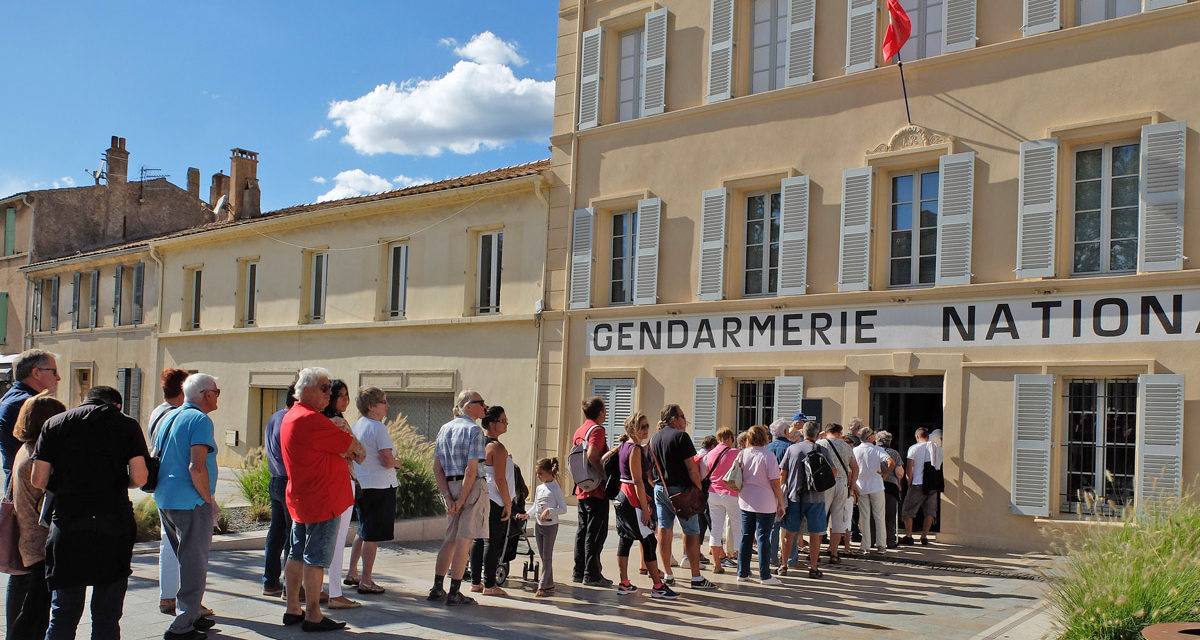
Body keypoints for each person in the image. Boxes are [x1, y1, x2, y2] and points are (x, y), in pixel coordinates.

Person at [33, 386, 149, 640]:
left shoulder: (54, 424)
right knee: (107, 615)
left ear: (84, 400)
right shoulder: (127, 425)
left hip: (68, 524)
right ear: (116, 405)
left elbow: (38, 479)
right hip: (113, 524)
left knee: (63, 612)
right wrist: (121, 482)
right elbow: (140, 477)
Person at [282, 367, 362, 631]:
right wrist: (345, 447)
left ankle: (293, 608)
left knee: (296, 554)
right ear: (305, 390)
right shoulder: (313, 420)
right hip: (323, 499)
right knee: (315, 559)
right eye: (325, 388)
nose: (331, 393)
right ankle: (314, 614)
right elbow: (356, 451)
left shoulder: (292, 416)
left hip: (302, 496)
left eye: (330, 388)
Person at [154, 374, 221, 640]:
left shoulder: (170, 415)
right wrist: (207, 499)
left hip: (166, 497)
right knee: (194, 563)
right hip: (189, 500)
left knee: (186, 561)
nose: (217, 396)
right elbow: (197, 466)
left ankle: (190, 614)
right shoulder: (200, 419)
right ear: (206, 394)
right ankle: (182, 625)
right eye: (217, 391)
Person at [6, 392, 65, 640]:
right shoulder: (37, 458)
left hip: (27, 538)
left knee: (26, 603)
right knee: (35, 614)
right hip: (39, 542)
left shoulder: (25, 449)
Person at [429, 390, 490, 606]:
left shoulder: (444, 428)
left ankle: (437, 587)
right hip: (470, 487)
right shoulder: (475, 431)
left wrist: (448, 497)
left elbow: (437, 468)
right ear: (468, 406)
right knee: (465, 539)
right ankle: (455, 591)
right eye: (480, 403)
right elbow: (471, 470)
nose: (484, 407)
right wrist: (462, 500)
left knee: (450, 538)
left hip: (451, 485)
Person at [650, 404, 717, 590]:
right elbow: (691, 467)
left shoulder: (654, 439)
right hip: (681, 490)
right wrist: (698, 488)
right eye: (682, 416)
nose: (684, 419)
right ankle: (696, 577)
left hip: (660, 488)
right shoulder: (681, 437)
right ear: (673, 419)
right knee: (691, 531)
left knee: (664, 529)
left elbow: (650, 471)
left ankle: (668, 575)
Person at [612, 413, 676, 599]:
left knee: (625, 539)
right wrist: (645, 509)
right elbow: (638, 481)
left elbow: (606, 460)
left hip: (621, 496)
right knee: (649, 540)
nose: (646, 429)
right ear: (633, 429)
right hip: (632, 498)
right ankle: (657, 586)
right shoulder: (635, 449)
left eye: (647, 426)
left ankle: (624, 583)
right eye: (643, 427)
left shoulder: (623, 445)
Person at [345, 386, 399, 596]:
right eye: (383, 401)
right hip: (379, 486)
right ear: (371, 406)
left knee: (363, 529)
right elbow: (386, 460)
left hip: (362, 484)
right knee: (372, 535)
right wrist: (397, 462)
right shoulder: (378, 427)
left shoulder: (358, 425)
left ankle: (352, 572)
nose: (387, 405)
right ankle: (366, 580)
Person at [148, 368, 190, 614]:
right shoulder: (179, 415)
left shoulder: (158, 411)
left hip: (161, 484)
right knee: (186, 546)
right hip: (178, 485)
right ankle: (187, 599)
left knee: (168, 541)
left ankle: (167, 596)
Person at [321, 380, 364, 610]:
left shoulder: (317, 421)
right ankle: (335, 593)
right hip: (340, 482)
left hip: (321, 483)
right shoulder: (338, 423)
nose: (345, 400)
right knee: (337, 541)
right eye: (342, 395)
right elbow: (359, 451)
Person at [469, 406, 518, 596]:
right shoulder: (496, 447)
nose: (506, 424)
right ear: (492, 424)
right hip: (495, 499)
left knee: (478, 539)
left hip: (480, 496)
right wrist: (508, 503)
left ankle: (475, 582)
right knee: (492, 541)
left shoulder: (480, 443)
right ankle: (489, 585)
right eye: (503, 420)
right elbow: (500, 479)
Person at [778, 420, 835, 579]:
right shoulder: (822, 450)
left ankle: (783, 566)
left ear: (803, 433)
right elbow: (833, 472)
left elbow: (783, 474)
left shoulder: (792, 449)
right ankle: (814, 568)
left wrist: (782, 492)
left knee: (789, 534)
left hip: (795, 496)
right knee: (815, 534)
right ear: (817, 434)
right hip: (816, 498)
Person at [1, 349, 60, 490]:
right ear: (36, 373)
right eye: (54, 372)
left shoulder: (10, 398)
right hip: (31, 488)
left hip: (18, 484)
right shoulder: (30, 404)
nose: (58, 378)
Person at [735, 425, 784, 585]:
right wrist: (781, 503)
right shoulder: (768, 456)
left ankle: (742, 572)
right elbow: (775, 483)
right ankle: (764, 575)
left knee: (746, 537)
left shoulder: (743, 454)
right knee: (763, 538)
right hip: (765, 502)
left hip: (746, 500)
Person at [572, 396, 611, 587]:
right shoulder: (597, 430)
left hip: (582, 486)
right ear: (600, 412)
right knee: (595, 532)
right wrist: (603, 475)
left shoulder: (580, 430)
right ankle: (592, 574)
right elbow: (592, 455)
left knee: (582, 530)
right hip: (595, 489)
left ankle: (578, 571)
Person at [262, 383, 297, 597]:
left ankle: (270, 581)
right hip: (288, 480)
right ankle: (289, 586)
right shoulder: (290, 419)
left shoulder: (274, 416)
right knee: (292, 535)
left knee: (276, 533)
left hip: (275, 479)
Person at [817, 423, 858, 564]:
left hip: (824, 483)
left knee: (819, 517)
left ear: (826, 431)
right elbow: (855, 467)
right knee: (838, 519)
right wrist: (852, 485)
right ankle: (834, 553)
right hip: (842, 483)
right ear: (839, 432)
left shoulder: (820, 443)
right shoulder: (846, 446)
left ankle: (815, 553)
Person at [702, 426, 740, 574]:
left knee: (715, 530)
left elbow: (704, 473)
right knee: (738, 530)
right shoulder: (736, 453)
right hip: (732, 494)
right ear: (730, 438)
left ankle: (717, 565)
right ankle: (741, 565)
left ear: (718, 439)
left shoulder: (710, 454)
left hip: (713, 493)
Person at [528, 457, 567, 597]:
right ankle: (549, 583)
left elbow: (563, 508)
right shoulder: (540, 488)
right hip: (539, 525)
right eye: (537, 474)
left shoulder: (556, 489)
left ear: (549, 472)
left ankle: (542, 586)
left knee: (547, 556)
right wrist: (527, 515)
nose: (538, 477)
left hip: (550, 526)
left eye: (540, 474)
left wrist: (550, 511)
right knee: (543, 556)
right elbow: (535, 506)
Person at [765, 416, 799, 571]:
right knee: (790, 527)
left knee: (773, 526)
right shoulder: (792, 448)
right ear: (786, 431)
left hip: (770, 490)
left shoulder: (767, 448)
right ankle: (790, 558)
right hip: (789, 489)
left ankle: (772, 557)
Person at [853, 427, 894, 555]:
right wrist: (885, 474)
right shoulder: (877, 449)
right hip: (876, 485)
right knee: (879, 515)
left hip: (861, 486)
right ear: (869, 437)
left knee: (864, 517)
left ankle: (865, 546)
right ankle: (881, 545)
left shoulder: (855, 450)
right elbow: (891, 462)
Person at [902, 427, 943, 545]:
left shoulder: (914, 448)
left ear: (917, 437)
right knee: (930, 511)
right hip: (932, 485)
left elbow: (909, 468)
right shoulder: (937, 448)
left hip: (918, 483)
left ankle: (909, 535)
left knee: (907, 510)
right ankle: (924, 536)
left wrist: (909, 482)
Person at [875, 430, 905, 548]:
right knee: (890, 514)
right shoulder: (894, 453)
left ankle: (874, 539)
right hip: (891, 486)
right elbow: (899, 472)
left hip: (876, 485)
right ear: (889, 441)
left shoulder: (873, 451)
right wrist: (899, 481)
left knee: (875, 514)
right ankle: (890, 541)